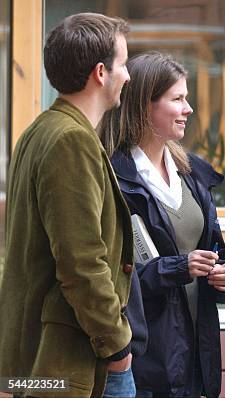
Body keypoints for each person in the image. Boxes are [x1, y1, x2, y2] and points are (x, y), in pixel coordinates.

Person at [0, 13, 135, 397]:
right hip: (68, 362)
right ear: (100, 72)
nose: (127, 75)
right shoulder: (69, 140)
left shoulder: (40, 131)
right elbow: (81, 261)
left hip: (40, 360)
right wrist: (117, 344)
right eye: (123, 64)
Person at [99, 51, 225, 398]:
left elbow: (215, 248)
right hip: (144, 361)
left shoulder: (192, 173)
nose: (188, 109)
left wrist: (224, 275)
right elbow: (114, 279)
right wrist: (181, 266)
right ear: (145, 106)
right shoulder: (113, 177)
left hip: (196, 353)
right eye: (178, 99)